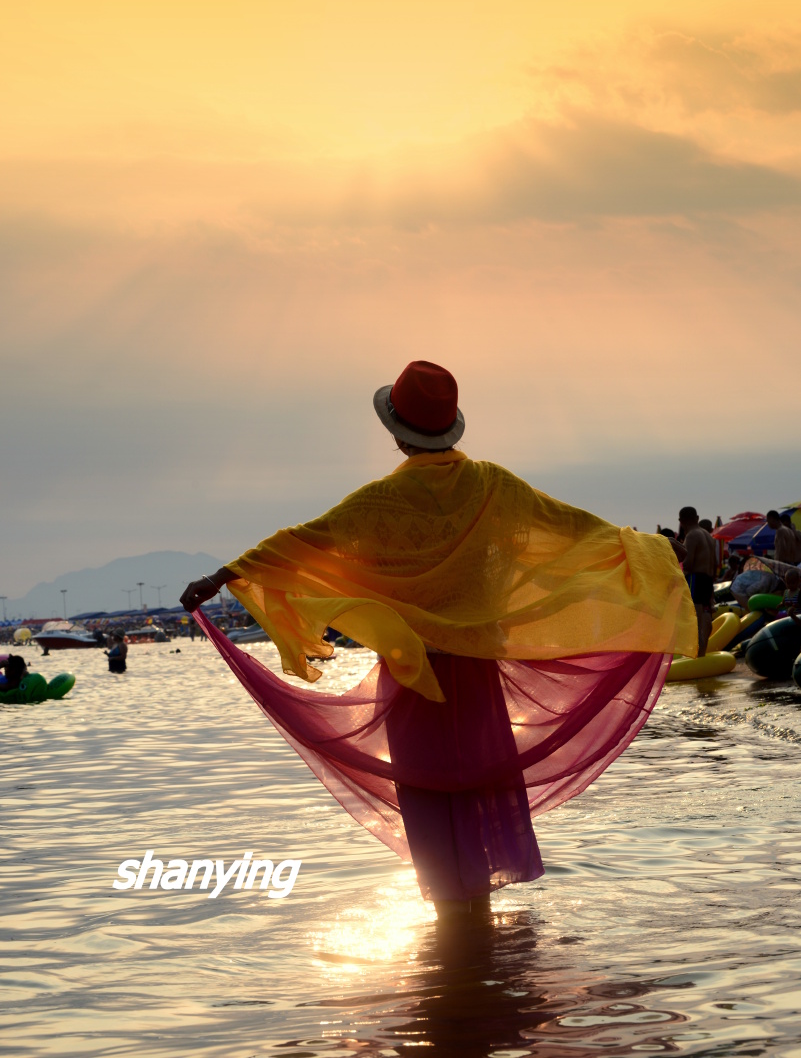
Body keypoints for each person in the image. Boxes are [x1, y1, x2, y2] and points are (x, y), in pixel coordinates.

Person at [181, 361, 696, 920]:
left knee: (429, 799)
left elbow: (299, 544)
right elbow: (575, 531)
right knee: (477, 791)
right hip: (476, 675)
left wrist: (221, 576)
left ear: (398, 433)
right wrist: (655, 555)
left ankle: (460, 953)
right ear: (450, 426)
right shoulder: (493, 488)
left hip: (412, 677)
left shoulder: (377, 504)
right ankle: (484, 949)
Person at [678, 507, 717, 656]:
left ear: (681, 522)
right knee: (706, 615)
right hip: (707, 578)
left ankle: (696, 654)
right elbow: (714, 563)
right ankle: (703, 651)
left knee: (695, 618)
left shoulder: (692, 536)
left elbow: (688, 563)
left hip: (695, 577)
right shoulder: (707, 535)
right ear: (697, 517)